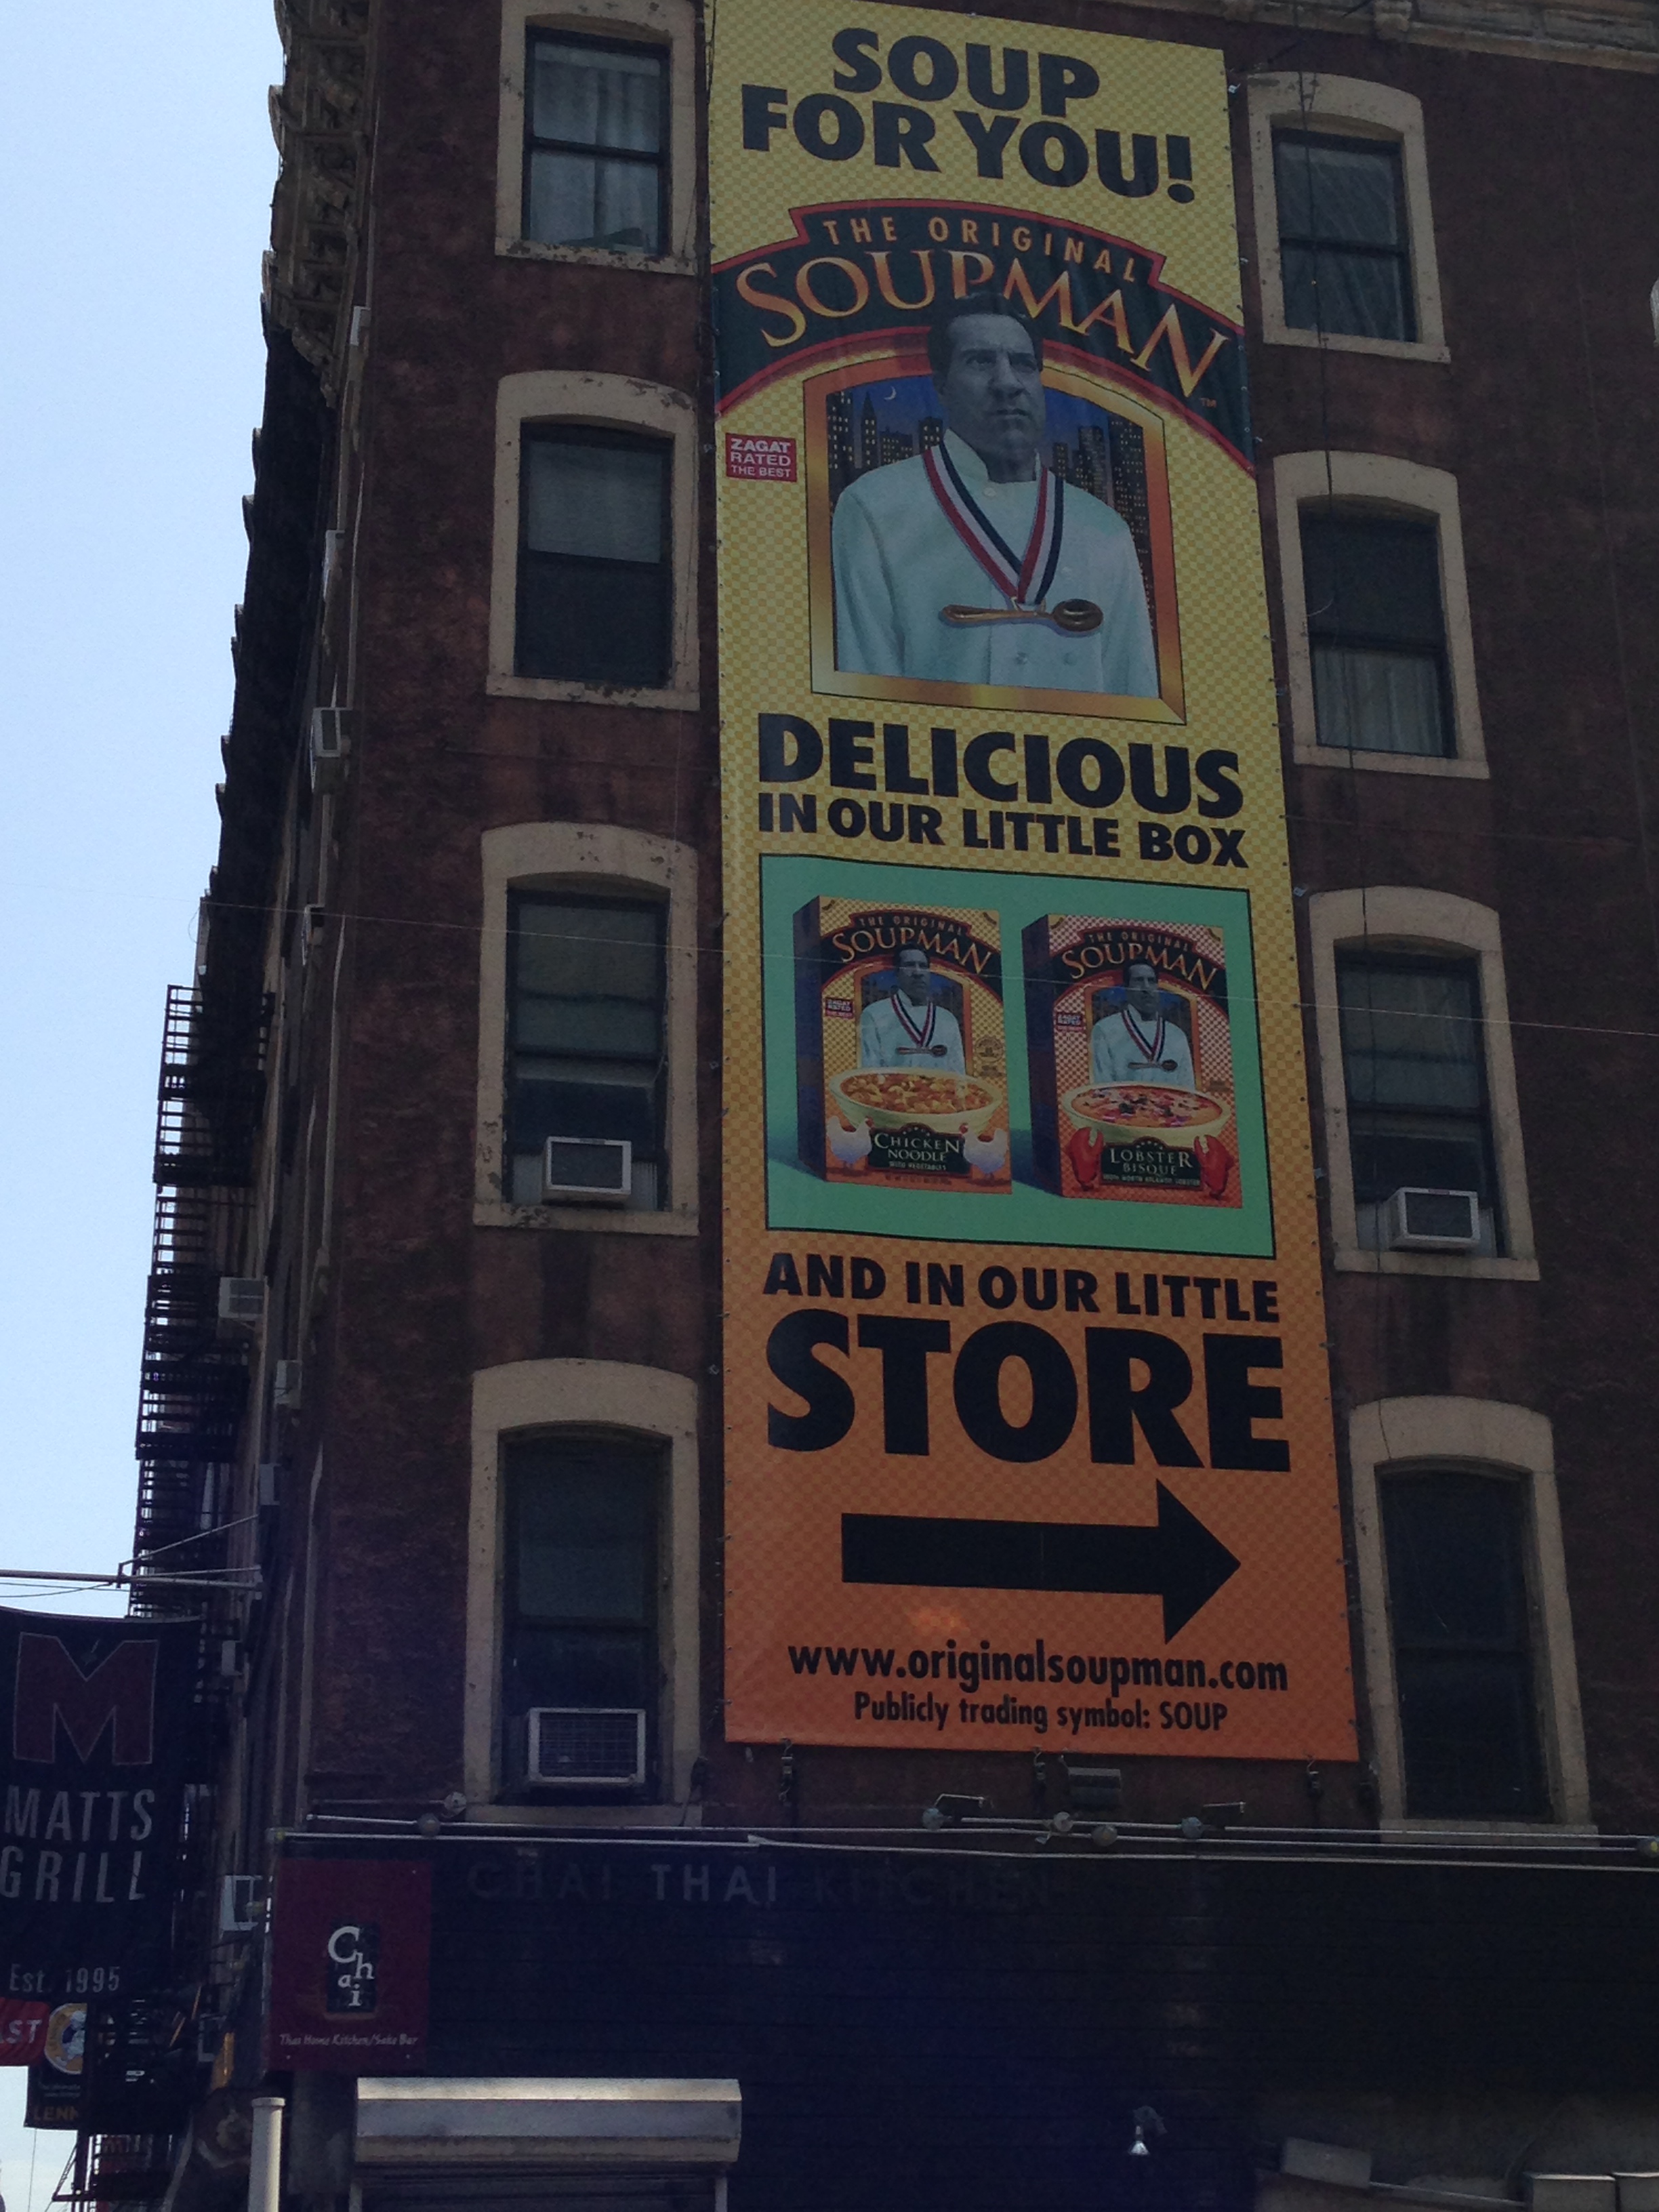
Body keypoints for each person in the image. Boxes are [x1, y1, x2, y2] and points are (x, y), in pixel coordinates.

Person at [832, 298, 1158, 697]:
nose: (1007, 383)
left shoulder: (1104, 529)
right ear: (941, 386)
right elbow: (865, 688)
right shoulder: (875, 507)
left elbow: (1134, 693)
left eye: (1023, 364)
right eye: (981, 361)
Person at [1090, 958, 1196, 1088]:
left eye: (1151, 981)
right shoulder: (1105, 1030)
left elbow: (1188, 1089)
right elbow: (1102, 1087)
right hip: (1123, 1101)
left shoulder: (1176, 1035)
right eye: (1139, 980)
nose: (1146, 988)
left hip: (1169, 1101)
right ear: (1127, 988)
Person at [859, 946, 966, 1073]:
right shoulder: (874, 1014)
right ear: (897, 973)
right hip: (892, 1086)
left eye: (923, 966)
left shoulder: (947, 1019)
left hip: (940, 1087)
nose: (918, 973)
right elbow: (869, 1072)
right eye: (909, 966)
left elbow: (958, 1074)